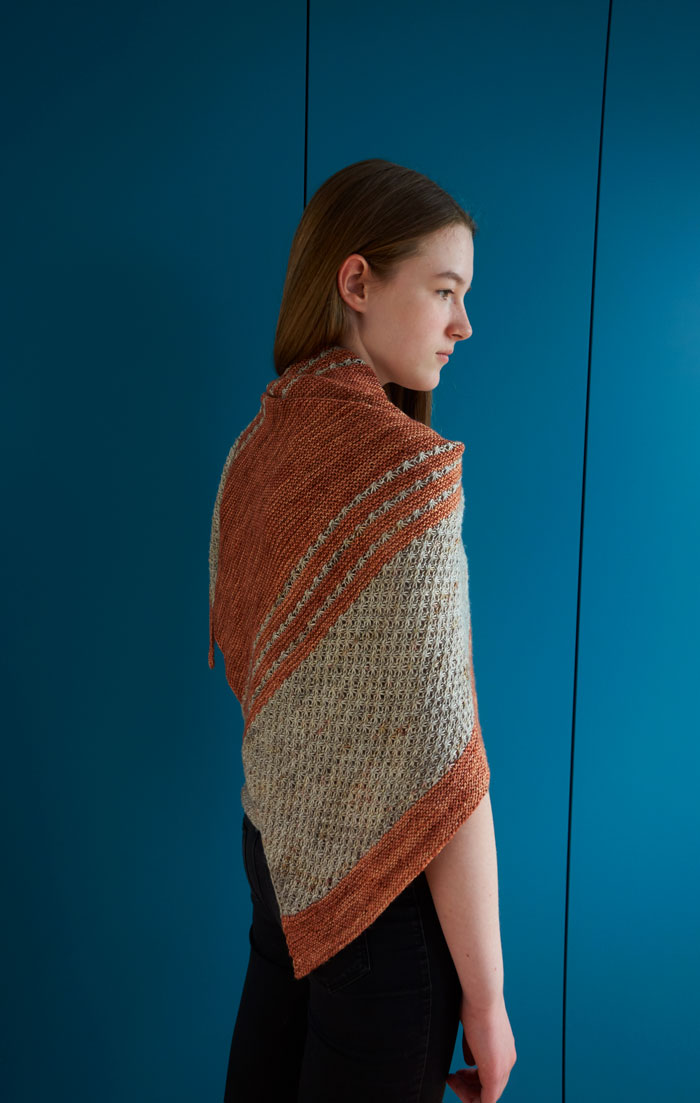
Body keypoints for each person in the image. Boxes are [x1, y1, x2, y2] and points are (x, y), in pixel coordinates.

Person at [209, 158, 516, 1102]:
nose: (464, 324)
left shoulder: (253, 453)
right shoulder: (406, 478)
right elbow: (448, 769)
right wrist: (489, 1001)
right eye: (445, 290)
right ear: (357, 282)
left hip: (278, 871)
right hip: (385, 924)